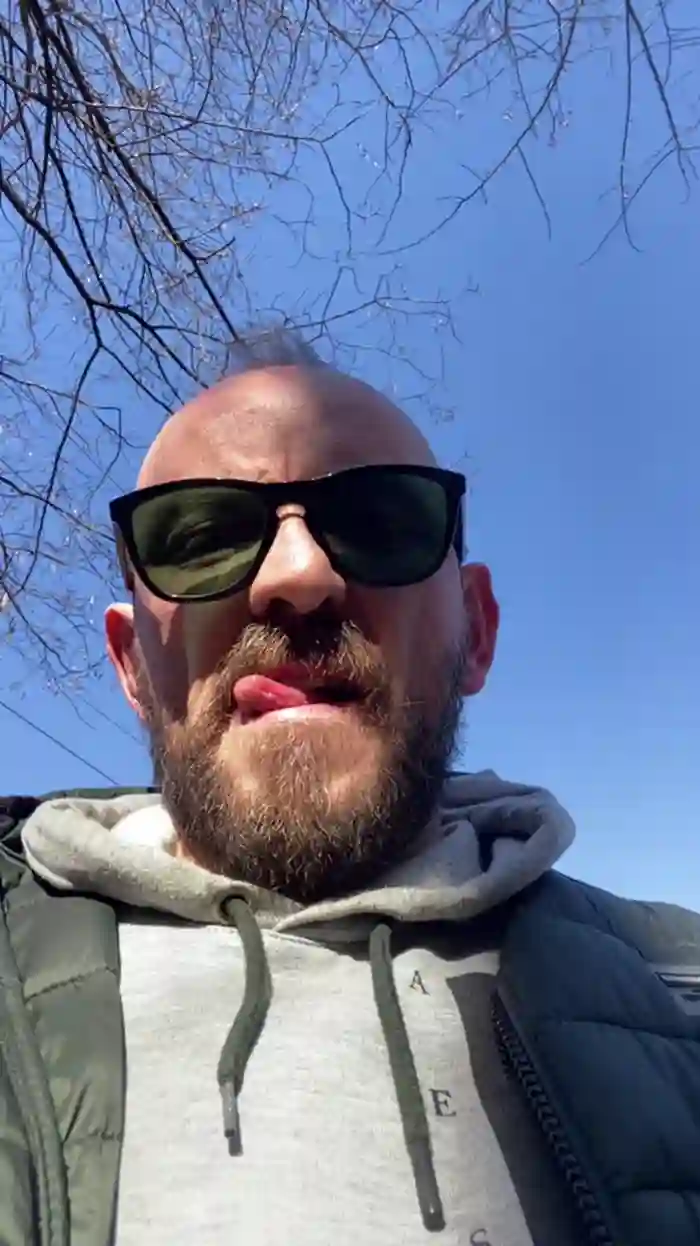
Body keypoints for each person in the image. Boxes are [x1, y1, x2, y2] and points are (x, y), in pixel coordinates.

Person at [1, 330, 699, 1246]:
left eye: (379, 521)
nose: (299, 578)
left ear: (477, 631)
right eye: (201, 537)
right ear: (132, 665)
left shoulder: (679, 987)